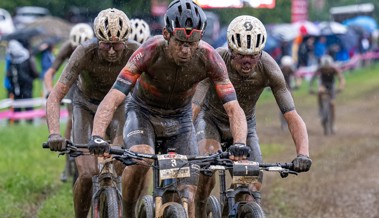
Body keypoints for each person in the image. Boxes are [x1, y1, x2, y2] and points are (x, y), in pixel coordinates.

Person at [89, 1, 248, 217]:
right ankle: (127, 212)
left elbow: (233, 107)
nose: (185, 50)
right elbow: (114, 97)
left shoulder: (210, 58)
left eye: (192, 43)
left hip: (180, 120)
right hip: (143, 113)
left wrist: (239, 142)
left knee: (188, 194)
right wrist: (98, 135)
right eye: (180, 42)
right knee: (141, 159)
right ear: (166, 33)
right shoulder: (149, 51)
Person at [192, 15, 312, 217]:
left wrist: (303, 154)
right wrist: (186, 131)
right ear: (230, 50)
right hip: (211, 121)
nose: (247, 61)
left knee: (252, 186)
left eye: (253, 55)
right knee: (207, 169)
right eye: (241, 55)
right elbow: (195, 103)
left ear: (261, 52)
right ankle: (199, 209)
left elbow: (291, 115)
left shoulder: (269, 68)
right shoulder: (216, 59)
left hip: (246, 126)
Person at [45, 8, 140, 218]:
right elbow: (55, 96)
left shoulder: (135, 50)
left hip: (118, 107)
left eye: (117, 45)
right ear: (97, 40)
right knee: (87, 174)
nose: (112, 51)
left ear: (126, 41)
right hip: (86, 105)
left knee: (119, 161)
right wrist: (54, 133)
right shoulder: (84, 52)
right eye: (106, 44)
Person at [43, 23, 94, 182]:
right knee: (72, 120)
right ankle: (68, 164)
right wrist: (50, 90)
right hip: (73, 84)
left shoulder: (95, 46)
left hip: (89, 83)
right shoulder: (67, 47)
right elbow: (50, 72)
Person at [309, 55, 345, 133]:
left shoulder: (334, 69)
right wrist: (311, 88)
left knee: (332, 104)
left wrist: (341, 87)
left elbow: (341, 79)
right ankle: (321, 108)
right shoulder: (320, 68)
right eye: (325, 68)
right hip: (323, 84)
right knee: (320, 91)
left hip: (331, 85)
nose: (326, 69)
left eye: (327, 68)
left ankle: (333, 124)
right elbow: (312, 79)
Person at [6, 39, 39, 124]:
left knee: (17, 105)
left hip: (16, 86)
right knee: (28, 104)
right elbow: (34, 72)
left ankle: (17, 123)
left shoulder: (12, 59)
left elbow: (8, 73)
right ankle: (29, 122)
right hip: (27, 85)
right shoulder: (27, 57)